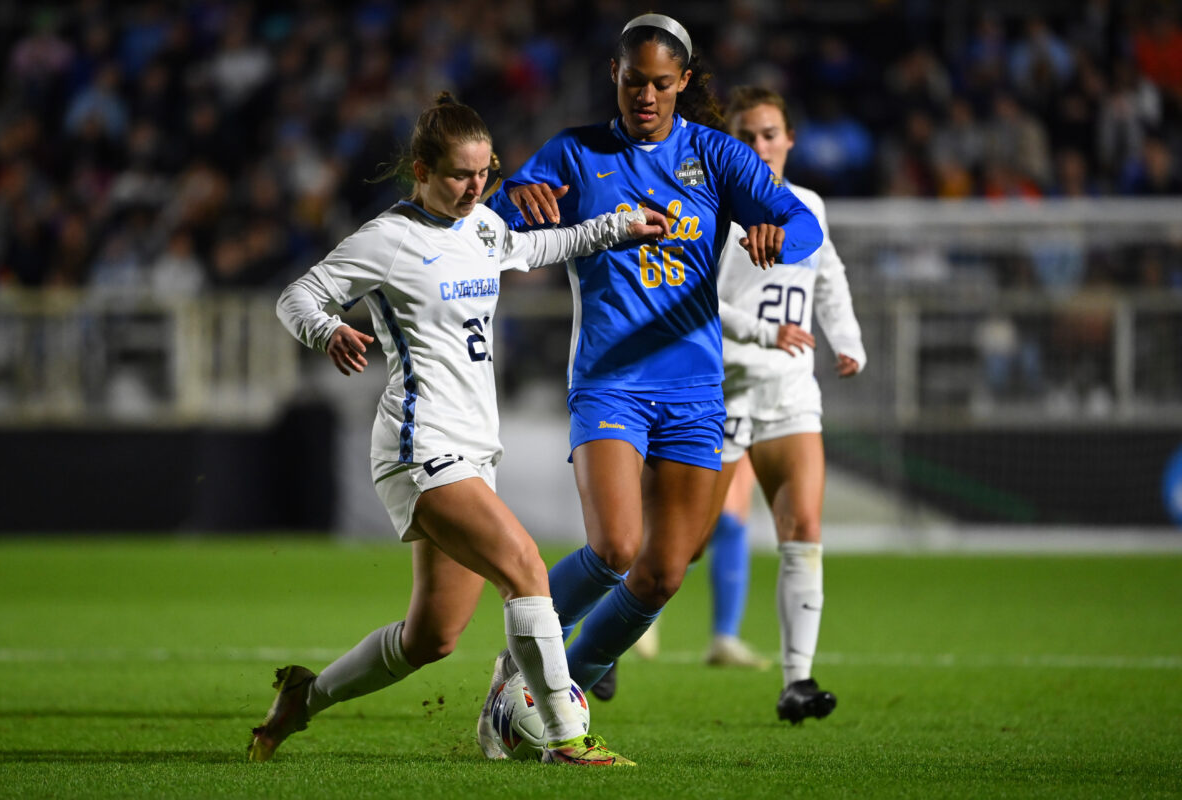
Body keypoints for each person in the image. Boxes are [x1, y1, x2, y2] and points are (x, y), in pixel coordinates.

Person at [249, 92, 672, 766]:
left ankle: (306, 697)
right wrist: (327, 328)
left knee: (433, 638)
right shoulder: (387, 241)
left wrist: (617, 227)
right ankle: (568, 738)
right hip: (421, 446)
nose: (476, 188)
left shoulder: (478, 225)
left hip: (474, 450)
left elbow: (535, 245)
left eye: (486, 173)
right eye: (459, 175)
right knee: (528, 569)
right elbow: (296, 295)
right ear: (422, 169)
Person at [479, 13, 823, 714]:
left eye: (662, 84)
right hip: (610, 381)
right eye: (634, 81)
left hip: (696, 390)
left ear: (683, 83)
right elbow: (490, 225)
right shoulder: (575, 155)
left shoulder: (719, 157)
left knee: (663, 572)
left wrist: (774, 232)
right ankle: (522, 669)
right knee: (614, 546)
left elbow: (806, 225)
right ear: (615, 75)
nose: (646, 96)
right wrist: (512, 197)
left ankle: (547, 689)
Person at [705, 85, 866, 723]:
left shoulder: (808, 208)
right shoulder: (712, 213)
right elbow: (692, 306)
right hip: (720, 393)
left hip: (791, 394)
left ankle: (797, 680)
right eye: (745, 135)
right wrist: (763, 335)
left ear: (790, 139)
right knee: (679, 548)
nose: (759, 146)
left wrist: (847, 341)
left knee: (802, 530)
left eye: (769, 133)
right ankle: (596, 653)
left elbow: (828, 277)